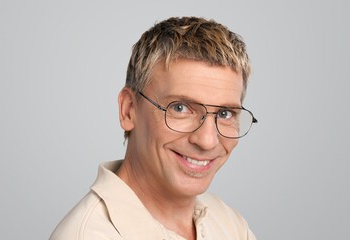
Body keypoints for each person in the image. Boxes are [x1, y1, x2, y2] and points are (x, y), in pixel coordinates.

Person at [50, 16, 258, 240]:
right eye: (180, 108)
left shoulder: (231, 225)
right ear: (129, 110)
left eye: (225, 114)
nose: (207, 140)